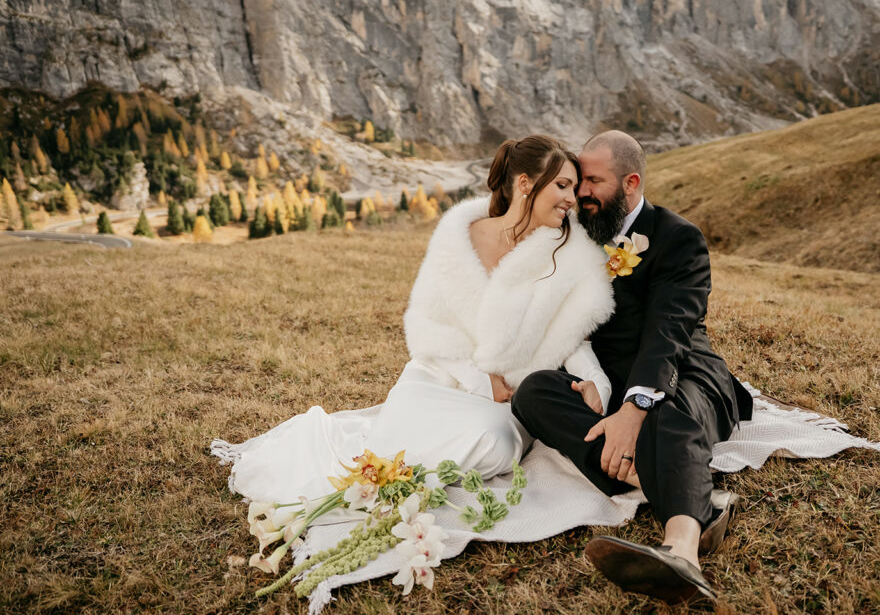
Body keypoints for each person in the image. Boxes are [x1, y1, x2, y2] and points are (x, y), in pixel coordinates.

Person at [219, 135, 615, 506]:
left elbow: (572, 337)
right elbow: (434, 324)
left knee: (493, 442)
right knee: (399, 436)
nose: (571, 198)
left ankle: (393, 477)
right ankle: (376, 472)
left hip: (509, 398)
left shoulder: (565, 255)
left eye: (573, 188)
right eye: (562, 185)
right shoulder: (461, 236)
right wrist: (484, 375)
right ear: (526, 183)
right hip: (442, 374)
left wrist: (595, 385)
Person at [511, 130, 754, 605]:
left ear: (631, 183)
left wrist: (633, 408)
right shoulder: (576, 235)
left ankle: (682, 549)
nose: (581, 192)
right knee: (534, 393)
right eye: (579, 180)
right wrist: (585, 382)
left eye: (594, 181)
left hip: (684, 371)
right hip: (605, 378)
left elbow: (670, 332)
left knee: (666, 414)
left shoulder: (678, 238)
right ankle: (692, 494)